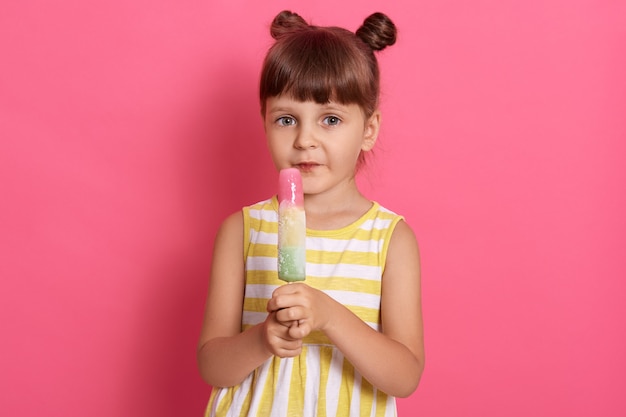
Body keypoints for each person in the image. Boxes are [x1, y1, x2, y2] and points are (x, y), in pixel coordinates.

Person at [197, 10, 424, 417]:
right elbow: (213, 366)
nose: (304, 140)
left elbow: (404, 377)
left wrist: (331, 316)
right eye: (286, 119)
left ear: (368, 129)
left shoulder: (390, 239)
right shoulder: (242, 231)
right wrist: (263, 339)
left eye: (331, 120)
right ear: (264, 123)